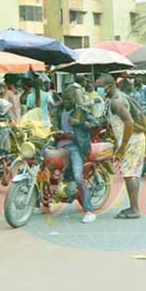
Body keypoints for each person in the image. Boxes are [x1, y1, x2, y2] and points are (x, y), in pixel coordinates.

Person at [97, 74, 146, 220]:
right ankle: (134, 206)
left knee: (129, 174)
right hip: (134, 139)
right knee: (133, 173)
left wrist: (123, 146)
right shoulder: (114, 98)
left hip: (131, 141)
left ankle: (134, 209)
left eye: (100, 86)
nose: (98, 89)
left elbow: (129, 123)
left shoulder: (116, 102)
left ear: (109, 86)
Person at [53, 85, 99, 223]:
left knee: (79, 177)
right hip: (59, 145)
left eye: (69, 99)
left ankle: (89, 211)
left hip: (76, 146)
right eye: (64, 98)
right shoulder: (58, 110)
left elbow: (95, 123)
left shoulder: (82, 111)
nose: (66, 101)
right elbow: (52, 124)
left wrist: (79, 123)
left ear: (74, 99)